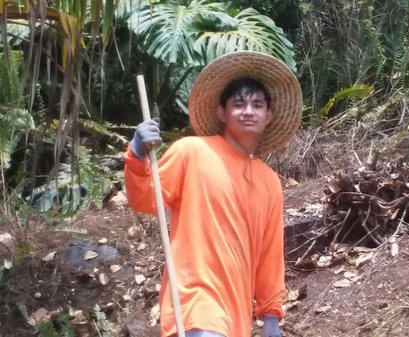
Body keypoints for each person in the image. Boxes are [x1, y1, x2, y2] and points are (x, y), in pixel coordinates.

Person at [123, 51, 303, 337]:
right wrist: (135, 154)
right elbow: (146, 199)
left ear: (269, 115)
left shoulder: (270, 182)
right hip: (194, 300)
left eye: (257, 104)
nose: (248, 111)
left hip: (236, 316)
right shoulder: (192, 151)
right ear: (221, 112)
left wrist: (271, 314)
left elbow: (270, 252)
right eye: (239, 104)